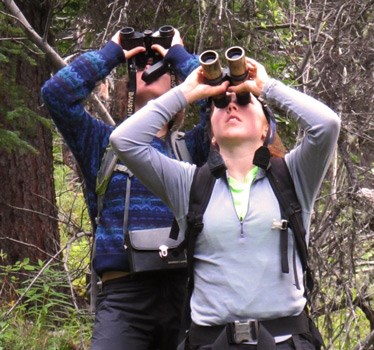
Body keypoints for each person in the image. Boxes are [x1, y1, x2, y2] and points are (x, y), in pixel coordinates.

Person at [110, 52, 340, 349]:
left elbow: (327, 125)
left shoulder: (292, 177)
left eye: (244, 100)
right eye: (221, 103)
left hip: (285, 341)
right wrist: (187, 92)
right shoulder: (190, 184)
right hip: (210, 342)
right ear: (212, 137)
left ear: (265, 129)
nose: (232, 103)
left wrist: (266, 87)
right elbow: (124, 141)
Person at [41, 28, 210, 349]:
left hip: (186, 294)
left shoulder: (192, 146)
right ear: (128, 84)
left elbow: (220, 99)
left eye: (158, 63)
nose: (148, 66)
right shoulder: (102, 144)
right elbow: (57, 94)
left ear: (177, 81)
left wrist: (179, 57)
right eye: (141, 63)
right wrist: (114, 52)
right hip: (123, 297)